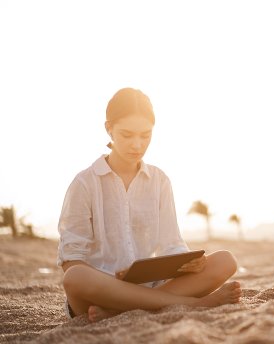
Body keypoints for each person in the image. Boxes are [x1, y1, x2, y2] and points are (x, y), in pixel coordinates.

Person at [57, 88, 241, 323]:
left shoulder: (159, 181)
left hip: (153, 287)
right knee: (75, 276)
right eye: (127, 135)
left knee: (225, 260)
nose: (137, 144)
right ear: (108, 129)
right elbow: (71, 258)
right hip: (100, 296)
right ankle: (194, 304)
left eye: (145, 135)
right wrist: (113, 284)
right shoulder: (84, 183)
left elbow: (172, 245)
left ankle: (123, 312)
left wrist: (186, 263)